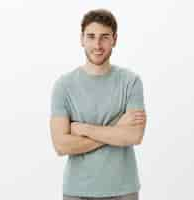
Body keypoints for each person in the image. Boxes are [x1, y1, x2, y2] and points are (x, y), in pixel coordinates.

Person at [50, 8, 147, 200]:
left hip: (123, 189)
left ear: (115, 40)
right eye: (91, 36)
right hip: (78, 190)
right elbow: (61, 145)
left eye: (104, 37)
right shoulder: (64, 86)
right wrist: (116, 130)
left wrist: (83, 128)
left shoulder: (131, 82)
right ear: (81, 39)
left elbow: (134, 135)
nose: (97, 44)